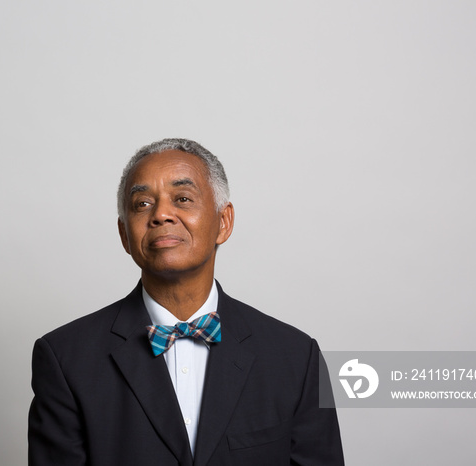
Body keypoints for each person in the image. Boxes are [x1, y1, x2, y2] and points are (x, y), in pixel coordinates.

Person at [28, 138, 344, 465]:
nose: (162, 214)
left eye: (182, 198)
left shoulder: (296, 357)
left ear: (224, 222)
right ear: (124, 235)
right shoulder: (66, 359)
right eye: (142, 204)